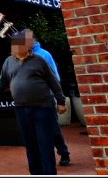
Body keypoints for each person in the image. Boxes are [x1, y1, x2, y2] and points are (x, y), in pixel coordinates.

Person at [0, 30, 67, 175]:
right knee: (31, 144)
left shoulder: (39, 60)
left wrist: (61, 101)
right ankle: (36, 172)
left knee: (45, 143)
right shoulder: (9, 61)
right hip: (21, 109)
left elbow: (53, 81)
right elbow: (2, 79)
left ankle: (49, 173)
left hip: (43, 108)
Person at [26, 30, 71, 167]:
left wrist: (58, 97)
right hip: (29, 98)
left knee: (52, 126)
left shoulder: (44, 55)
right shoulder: (22, 56)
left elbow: (55, 76)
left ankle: (63, 152)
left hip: (46, 96)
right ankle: (43, 155)